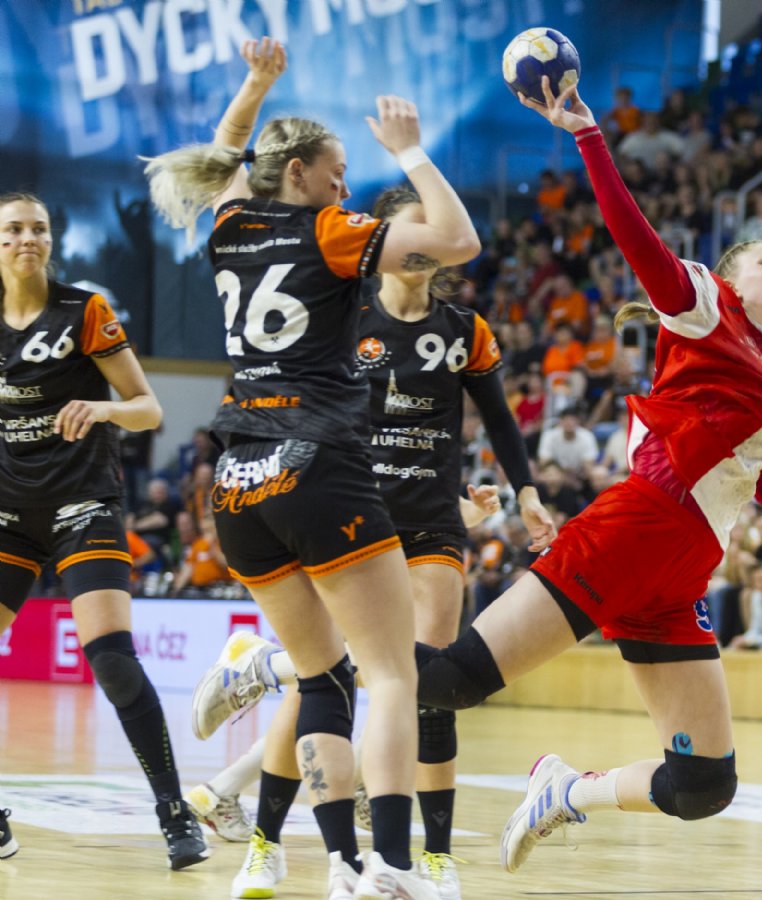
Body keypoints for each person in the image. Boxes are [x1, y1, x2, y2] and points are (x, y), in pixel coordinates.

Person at [430, 77, 762, 872]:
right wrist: (588, 137)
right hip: (634, 528)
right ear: (732, 279)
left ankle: (565, 791)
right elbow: (636, 241)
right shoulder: (704, 306)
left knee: (703, 785)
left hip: (685, 568)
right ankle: (278, 662)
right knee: (453, 681)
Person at [143, 37, 478, 899]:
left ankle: (342, 866)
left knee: (325, 673)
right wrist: (410, 151)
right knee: (392, 673)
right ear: (297, 173)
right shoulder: (327, 231)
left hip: (237, 480)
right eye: (336, 172)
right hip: (318, 463)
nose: (345, 186)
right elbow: (457, 240)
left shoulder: (229, 225)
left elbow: (226, 154)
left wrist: (254, 84)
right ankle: (393, 864)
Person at [188, 185, 555, 899]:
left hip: (432, 523)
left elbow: (499, 419)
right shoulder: (341, 312)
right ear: (384, 239)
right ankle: (264, 841)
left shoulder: (464, 329)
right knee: (333, 676)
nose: (423, 244)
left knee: (424, 680)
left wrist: (527, 492)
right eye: (412, 228)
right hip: (349, 509)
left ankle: (432, 857)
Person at [0, 194, 207, 867]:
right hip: (10, 512)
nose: (26, 239)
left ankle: (175, 812)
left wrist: (102, 407)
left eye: (38, 228)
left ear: (51, 240)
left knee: (113, 660)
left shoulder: (83, 311)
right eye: (12, 230)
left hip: (83, 503)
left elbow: (148, 409)